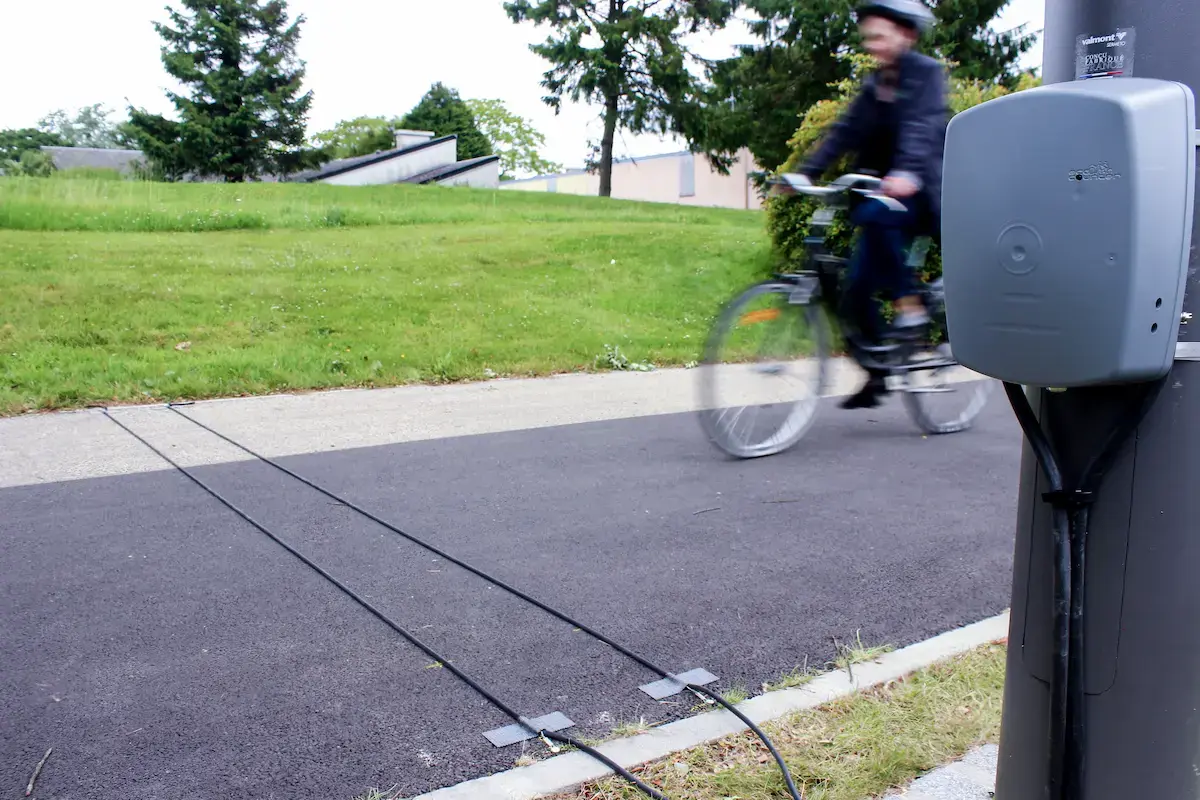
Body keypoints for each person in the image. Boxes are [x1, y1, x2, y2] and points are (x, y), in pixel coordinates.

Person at [786, 0, 950, 409]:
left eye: (880, 36)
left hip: (920, 194)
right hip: (882, 198)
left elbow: (923, 126)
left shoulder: (925, 74)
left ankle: (909, 306)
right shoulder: (875, 85)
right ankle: (879, 374)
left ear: (905, 35)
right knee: (854, 292)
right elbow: (845, 132)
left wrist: (908, 173)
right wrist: (806, 172)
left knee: (875, 215)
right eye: (869, 38)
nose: (873, 44)